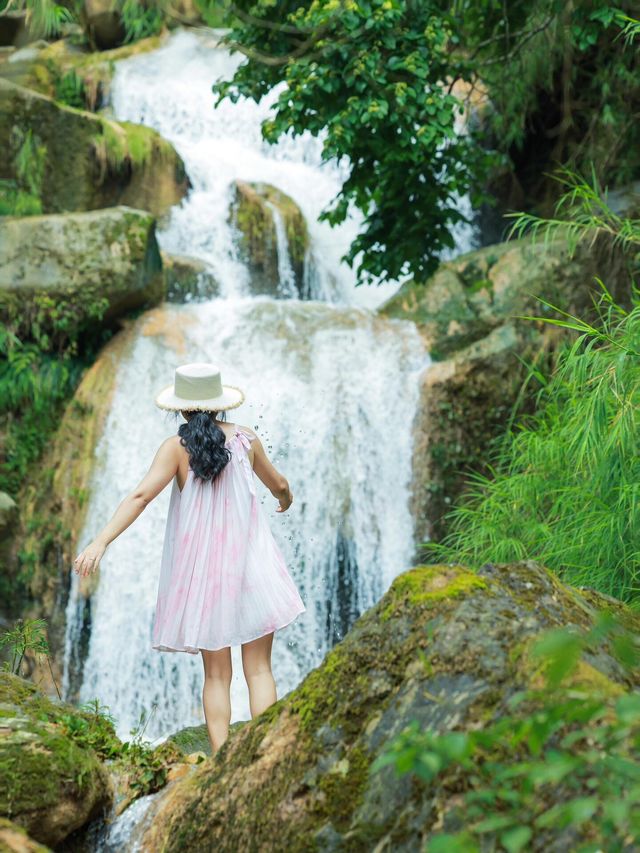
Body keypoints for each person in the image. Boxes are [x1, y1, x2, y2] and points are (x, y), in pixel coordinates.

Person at [73, 363, 306, 753]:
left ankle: (221, 762)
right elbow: (279, 484)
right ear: (220, 406)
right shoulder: (247, 440)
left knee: (216, 676)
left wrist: (100, 542)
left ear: (181, 410)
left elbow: (140, 497)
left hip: (207, 577)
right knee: (260, 668)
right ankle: (269, 754)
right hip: (256, 568)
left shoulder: (175, 450)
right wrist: (285, 498)